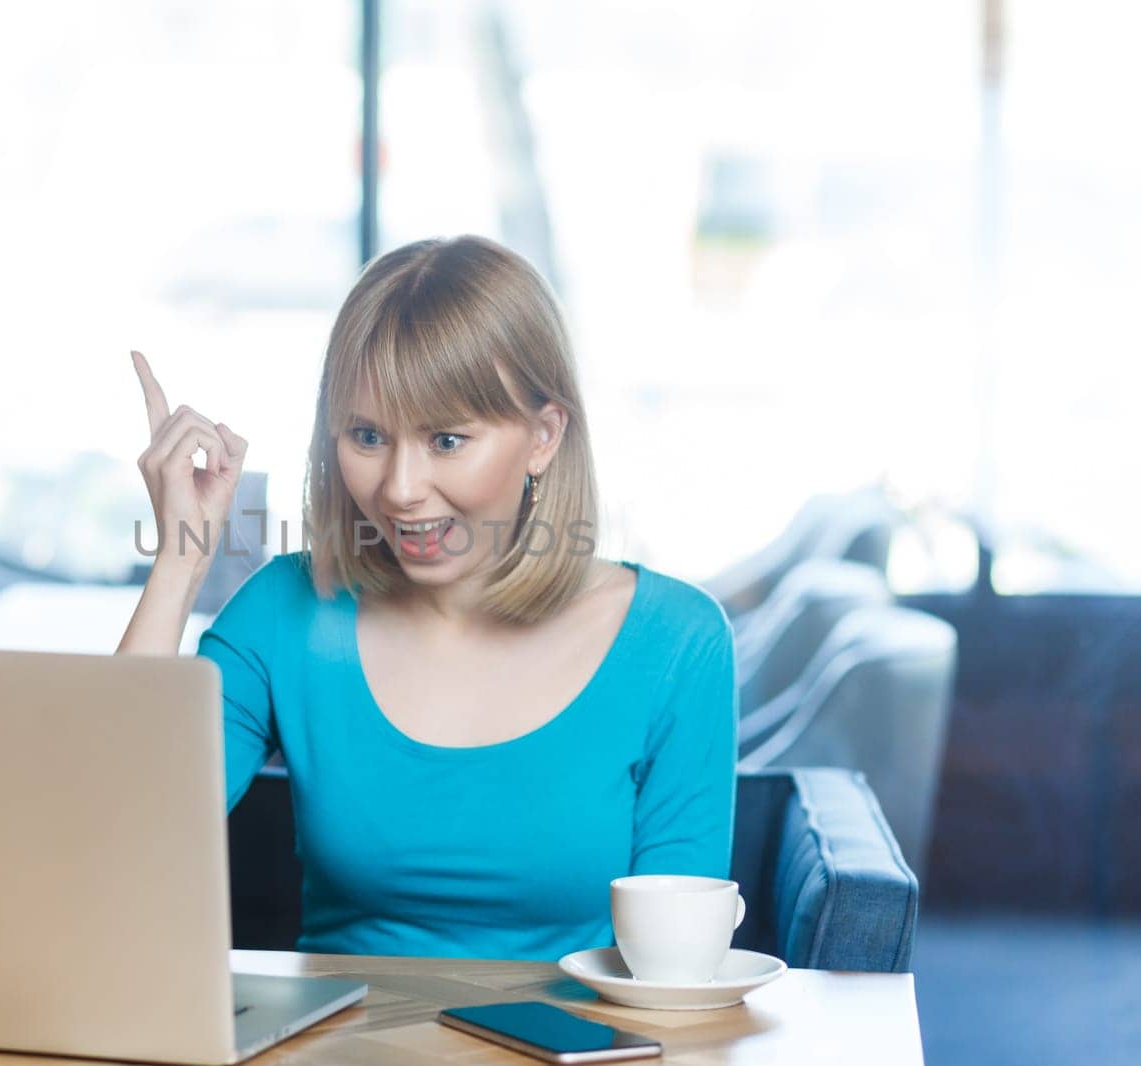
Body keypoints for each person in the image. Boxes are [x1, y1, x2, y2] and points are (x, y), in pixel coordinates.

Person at [118, 235, 737, 962]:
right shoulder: (284, 611)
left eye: (446, 440)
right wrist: (179, 565)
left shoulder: (676, 642)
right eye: (368, 435)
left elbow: (677, 974)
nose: (401, 488)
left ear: (543, 436)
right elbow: (117, 841)